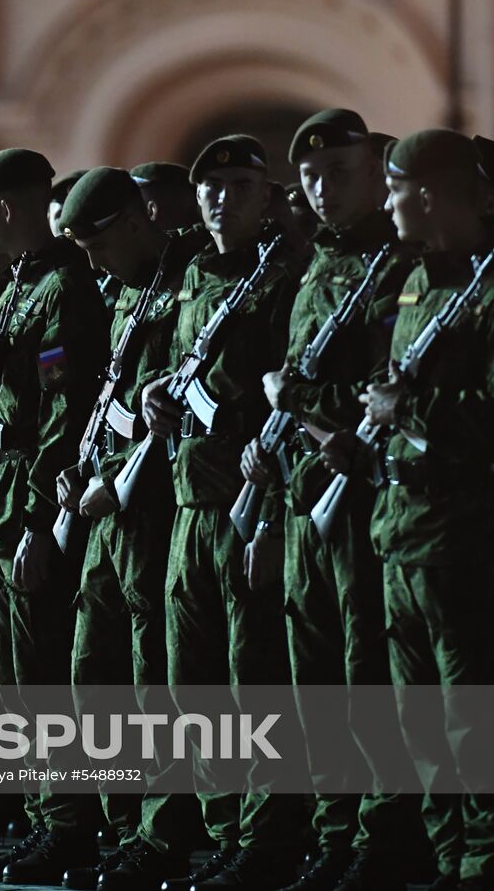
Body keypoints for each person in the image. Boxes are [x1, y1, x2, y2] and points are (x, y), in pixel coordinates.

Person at [242, 108, 425, 891]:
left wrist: (304, 402)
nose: (322, 189)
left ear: (376, 168)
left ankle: (384, 835)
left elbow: (390, 390)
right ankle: (334, 828)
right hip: (302, 498)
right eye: (311, 177)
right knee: (309, 675)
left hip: (359, 499)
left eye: (340, 173)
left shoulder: (400, 264)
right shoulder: (318, 265)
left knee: (365, 672)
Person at [140, 135, 308, 891]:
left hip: (245, 505)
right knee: (191, 685)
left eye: (240, 186)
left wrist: (269, 512)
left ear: (267, 197)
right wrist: (156, 396)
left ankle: (264, 833)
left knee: (253, 683)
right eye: (211, 187)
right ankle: (220, 830)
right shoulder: (191, 276)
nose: (220, 199)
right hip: (187, 501)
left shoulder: (282, 279)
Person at [358, 129, 494, 890]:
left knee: (474, 712)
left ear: (425, 194)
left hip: (465, 534)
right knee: (416, 713)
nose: (386, 206)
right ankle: (447, 852)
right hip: (403, 528)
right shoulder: (418, 279)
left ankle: (488, 858)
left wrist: (409, 407)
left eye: (393, 191)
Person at [0, 148, 109, 884]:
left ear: (6, 208)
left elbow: (64, 416)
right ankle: (41, 815)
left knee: (41, 678)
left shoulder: (63, 288)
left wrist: (41, 519)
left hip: (26, 508)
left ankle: (66, 823)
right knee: (13, 681)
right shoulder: (17, 286)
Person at [54, 166, 209, 890]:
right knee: (95, 672)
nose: (93, 260)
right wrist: (87, 470)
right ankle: (120, 825)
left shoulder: (189, 282)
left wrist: (122, 475)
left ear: (141, 219)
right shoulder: (126, 291)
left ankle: (162, 830)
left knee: (155, 682)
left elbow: (183, 399)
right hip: (105, 508)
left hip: (152, 513)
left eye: (101, 241)